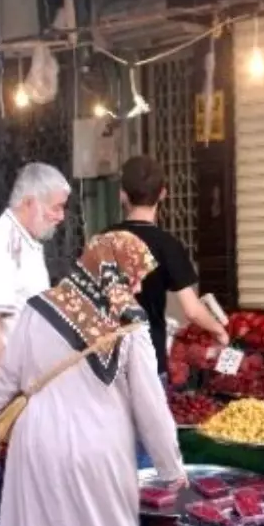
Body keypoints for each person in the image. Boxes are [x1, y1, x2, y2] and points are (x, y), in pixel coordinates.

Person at [0, 230, 186, 526]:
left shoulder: (37, 308)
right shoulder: (130, 326)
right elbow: (151, 408)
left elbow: (5, 382)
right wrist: (172, 469)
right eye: (134, 278)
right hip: (98, 454)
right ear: (114, 275)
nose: (137, 289)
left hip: (35, 448)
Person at [106, 156, 229, 382]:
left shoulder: (102, 240)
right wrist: (219, 331)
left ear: (122, 194)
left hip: (106, 361)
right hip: (148, 359)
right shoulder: (167, 245)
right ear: (163, 193)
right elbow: (191, 310)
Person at [0, 162, 71, 412]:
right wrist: (6, 400)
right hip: (14, 389)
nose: (61, 216)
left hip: (32, 384)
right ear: (29, 203)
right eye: (55, 207)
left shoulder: (28, 242)